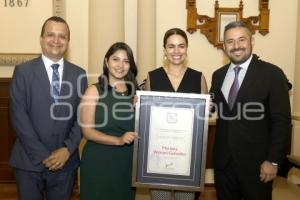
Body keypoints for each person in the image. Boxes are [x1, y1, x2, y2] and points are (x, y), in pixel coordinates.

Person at [209, 21, 291, 200]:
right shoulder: (218, 75)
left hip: (258, 165)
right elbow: (211, 107)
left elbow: (282, 121)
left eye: (241, 39)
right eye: (230, 41)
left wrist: (273, 160)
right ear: (224, 46)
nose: (236, 46)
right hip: (223, 165)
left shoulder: (272, 74)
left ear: (252, 41)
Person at [9, 16, 88, 200]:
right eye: (50, 34)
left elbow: (82, 117)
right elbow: (18, 117)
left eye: (62, 36)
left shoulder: (79, 74)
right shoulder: (23, 72)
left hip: (65, 164)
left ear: (68, 41)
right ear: (41, 38)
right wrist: (43, 155)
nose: (56, 40)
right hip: (28, 163)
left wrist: (67, 150)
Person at [145, 28, 208, 200]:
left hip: (187, 155)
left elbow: (203, 118)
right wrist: (139, 105)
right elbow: (147, 116)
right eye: (171, 46)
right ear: (164, 50)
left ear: (187, 49)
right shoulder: (153, 77)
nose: (176, 51)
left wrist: (207, 109)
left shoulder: (198, 77)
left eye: (181, 46)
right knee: (160, 197)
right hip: (159, 154)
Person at [79, 42, 139, 200]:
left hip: (126, 165)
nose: (121, 65)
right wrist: (118, 140)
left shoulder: (136, 95)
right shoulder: (93, 91)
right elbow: (87, 131)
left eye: (126, 61)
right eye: (115, 59)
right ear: (106, 62)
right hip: (99, 163)